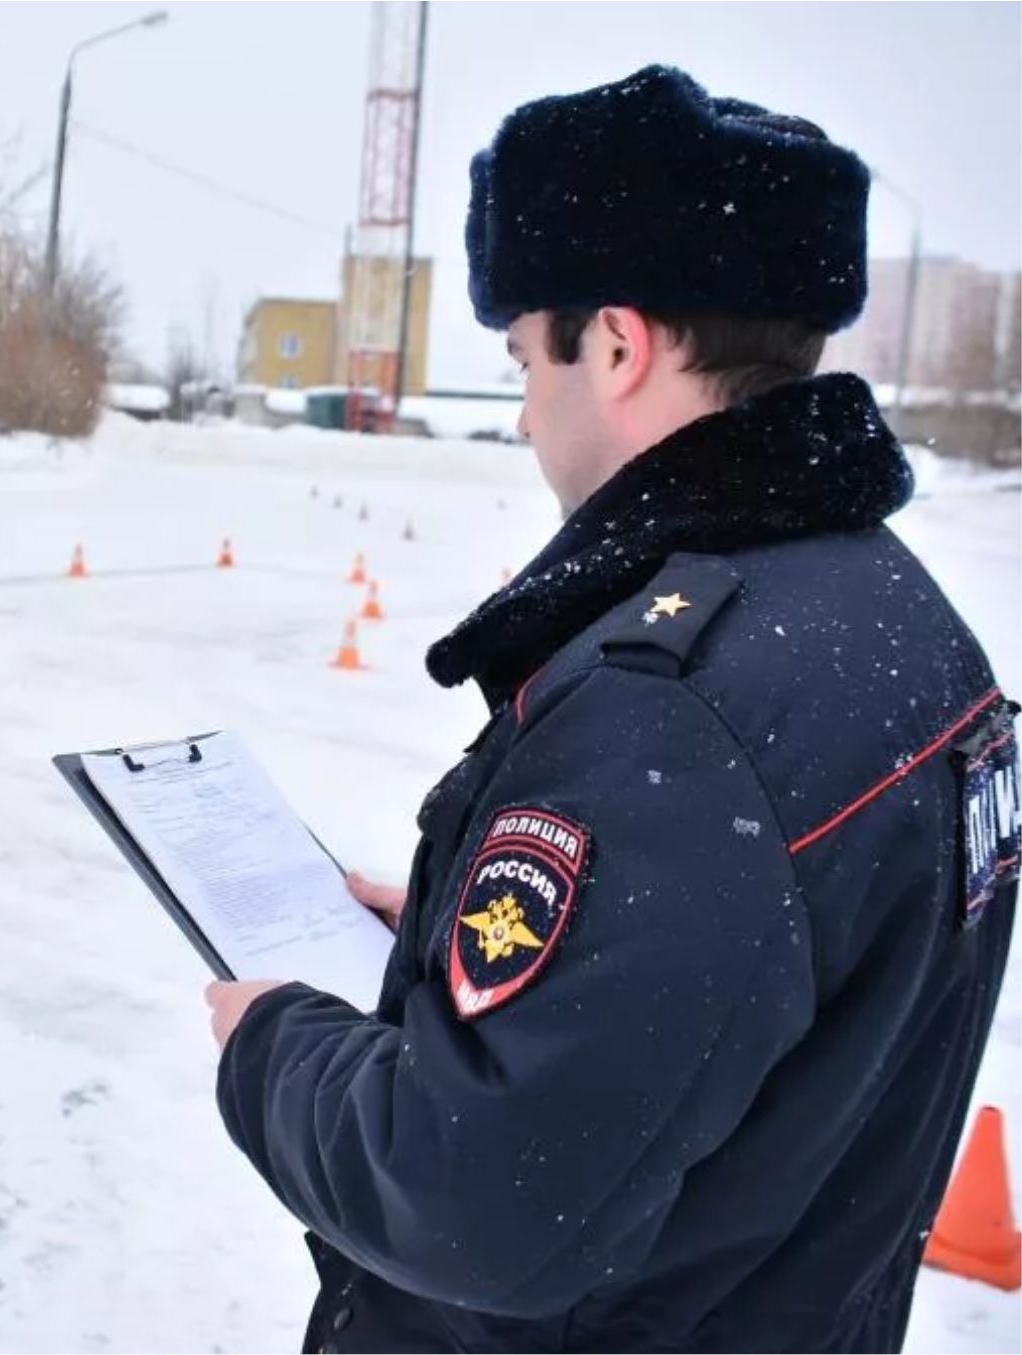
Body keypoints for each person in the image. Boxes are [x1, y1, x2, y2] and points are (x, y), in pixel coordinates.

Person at [204, 65, 1018, 1353]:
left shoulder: (676, 714)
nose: (527, 408)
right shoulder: (901, 620)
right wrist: (472, 940)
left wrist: (270, 1043)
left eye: (529, 356)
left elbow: (473, 1204)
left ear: (621, 347)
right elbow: (754, 991)